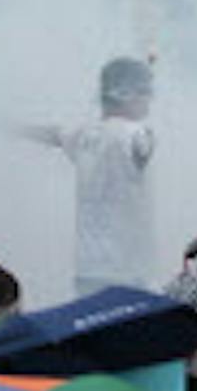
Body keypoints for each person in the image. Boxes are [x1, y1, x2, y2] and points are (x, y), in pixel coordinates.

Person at [23, 58, 157, 296]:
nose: (150, 98)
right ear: (124, 92)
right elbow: (144, 145)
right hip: (126, 271)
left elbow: (54, 134)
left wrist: (9, 127)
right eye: (145, 91)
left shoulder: (85, 135)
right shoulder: (132, 133)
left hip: (87, 269)